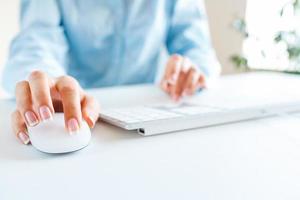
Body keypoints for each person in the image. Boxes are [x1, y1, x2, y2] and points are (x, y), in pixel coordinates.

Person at [2, 0, 221, 145]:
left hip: (151, 113)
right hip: (78, 106)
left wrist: (192, 69)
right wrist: (46, 82)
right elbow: (35, 41)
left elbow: (198, 48)